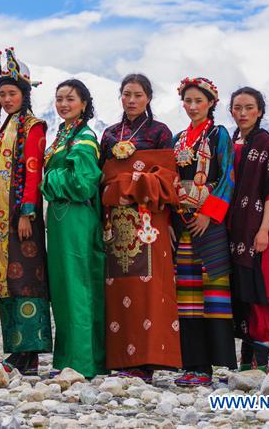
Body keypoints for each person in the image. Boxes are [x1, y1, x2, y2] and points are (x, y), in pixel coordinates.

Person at [99, 73, 181, 382]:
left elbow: (168, 177)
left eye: (138, 95)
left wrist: (127, 182)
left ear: (148, 98)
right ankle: (122, 359)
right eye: (126, 94)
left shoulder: (160, 132)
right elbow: (102, 178)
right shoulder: (109, 135)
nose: (131, 100)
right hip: (117, 222)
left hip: (150, 221)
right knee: (118, 288)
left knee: (149, 289)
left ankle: (148, 359)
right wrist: (123, 182)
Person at [0, 48, 51, 376]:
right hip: (2, 221)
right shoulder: (6, 126)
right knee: (7, 281)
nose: (7, 99)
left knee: (26, 282)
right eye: (3, 94)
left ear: (25, 94)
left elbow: (34, 171)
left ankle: (29, 351)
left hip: (21, 220)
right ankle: (17, 350)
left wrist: (27, 213)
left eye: (12, 93)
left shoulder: (33, 126)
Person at [172, 77, 236, 387]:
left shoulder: (218, 134)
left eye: (199, 101)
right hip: (183, 222)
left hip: (209, 224)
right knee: (187, 296)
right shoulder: (178, 139)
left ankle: (211, 366)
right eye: (188, 101)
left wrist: (208, 215)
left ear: (211, 103)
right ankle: (193, 365)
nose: (193, 106)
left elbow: (227, 177)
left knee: (213, 294)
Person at [41, 79, 104, 379]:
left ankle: (83, 361)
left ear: (83, 103)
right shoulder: (63, 135)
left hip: (76, 217)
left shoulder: (85, 137)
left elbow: (83, 183)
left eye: (70, 99)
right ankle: (67, 359)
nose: (64, 104)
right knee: (63, 287)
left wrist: (47, 180)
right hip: (60, 217)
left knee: (77, 285)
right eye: (59, 99)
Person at [226, 87, 269, 371]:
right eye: (238, 108)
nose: (243, 113)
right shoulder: (232, 141)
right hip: (236, 228)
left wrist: (264, 231)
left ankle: (260, 360)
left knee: (262, 284)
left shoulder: (266, 144)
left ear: (260, 111)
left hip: (259, 226)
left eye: (249, 107)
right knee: (242, 286)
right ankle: (246, 362)